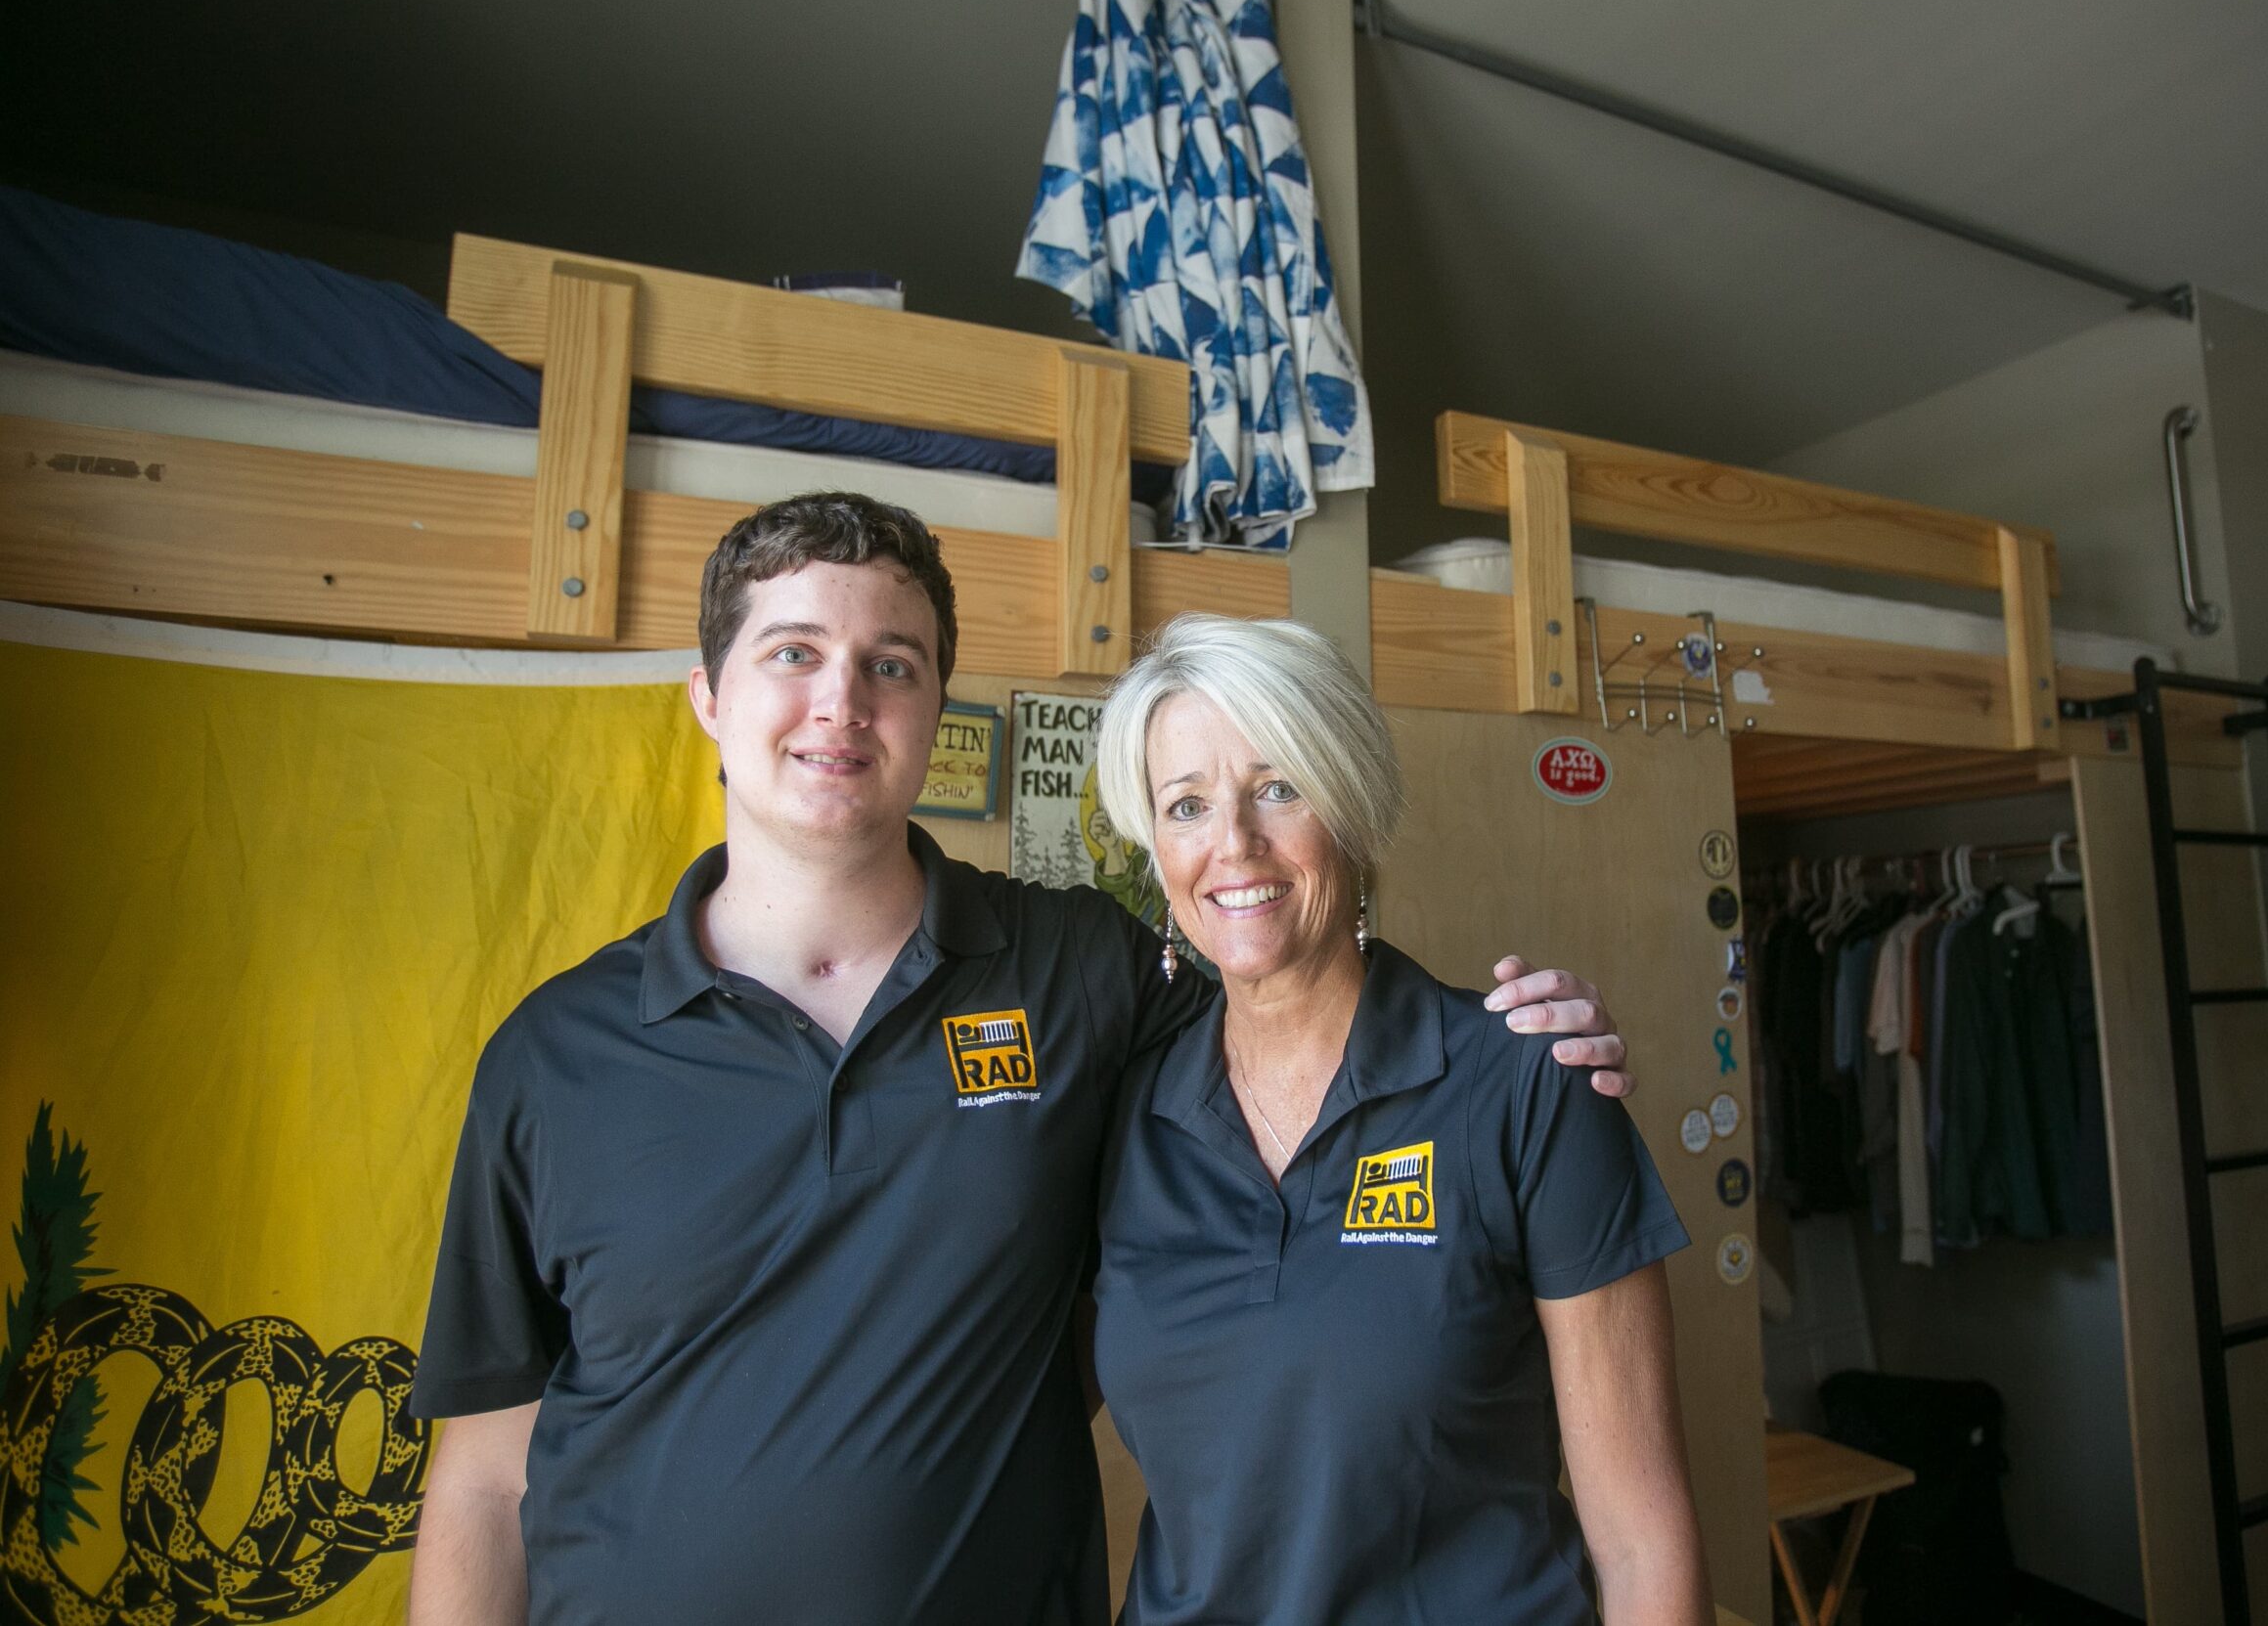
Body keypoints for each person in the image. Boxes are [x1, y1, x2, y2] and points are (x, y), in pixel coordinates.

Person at [407, 493, 1636, 1626]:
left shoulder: (1079, 976)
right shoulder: (553, 1056)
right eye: (793, 654)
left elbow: (1294, 998)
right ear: (709, 699)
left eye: (891, 665)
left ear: (934, 711)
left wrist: (1515, 1043)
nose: (841, 701)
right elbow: (479, 1479)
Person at [1090, 613, 1713, 1626]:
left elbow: (1641, 1542)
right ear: (1154, 848)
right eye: (1187, 805)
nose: (1232, 845)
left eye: (1278, 788)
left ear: (1354, 810)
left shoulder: (1524, 1082)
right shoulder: (1123, 1113)